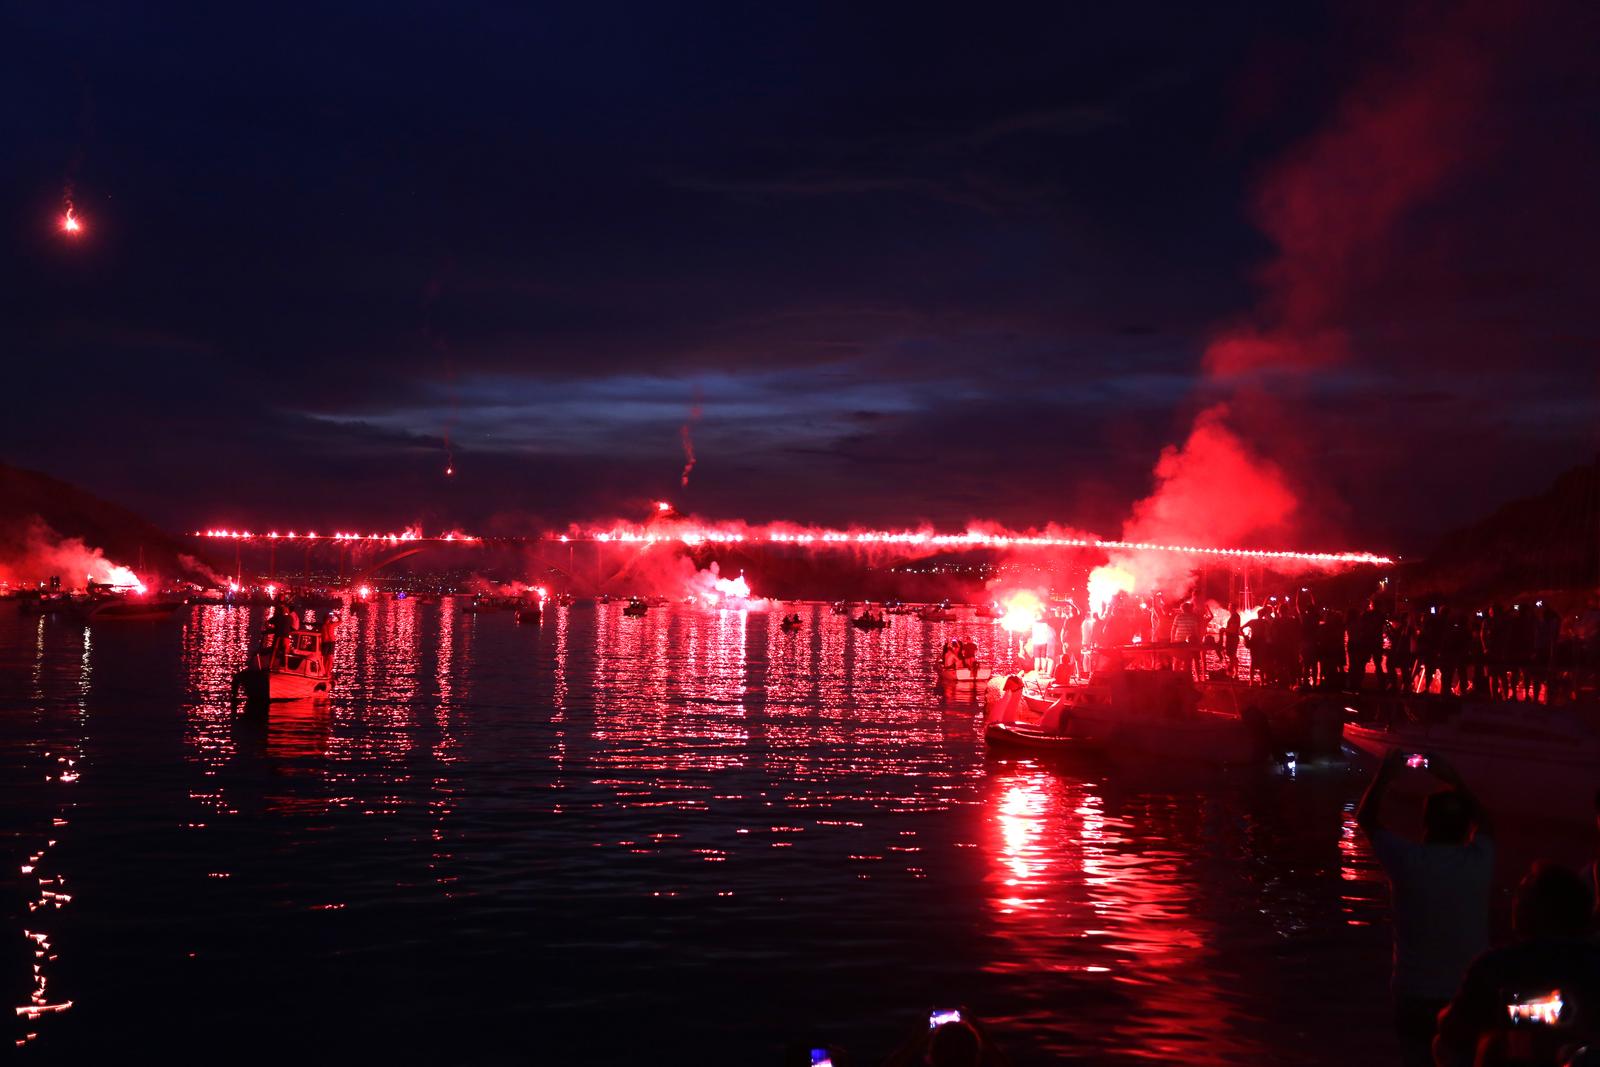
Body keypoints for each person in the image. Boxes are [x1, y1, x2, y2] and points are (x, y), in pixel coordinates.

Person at [1357, 748, 1494, 1067]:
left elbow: (1366, 818)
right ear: (1465, 827)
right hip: (1466, 994)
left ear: (1425, 823)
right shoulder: (1479, 861)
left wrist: (1383, 777)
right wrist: (1454, 778)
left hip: (1414, 993)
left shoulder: (1406, 861)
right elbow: (1487, 823)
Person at [1434, 863, 1600, 1067]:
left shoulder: (1496, 966)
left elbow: (1452, 1031)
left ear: (1531, 909)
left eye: (1520, 895)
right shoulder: (1592, 963)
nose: (1513, 902)